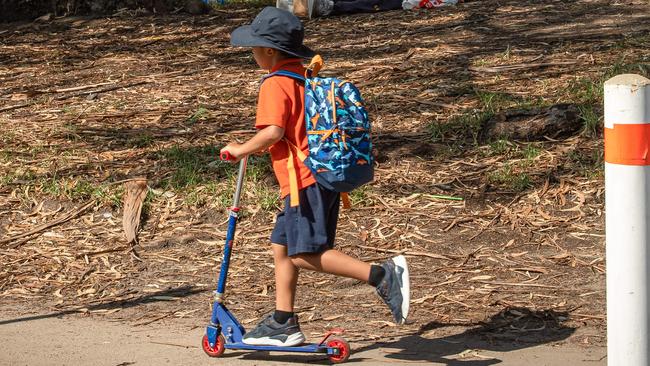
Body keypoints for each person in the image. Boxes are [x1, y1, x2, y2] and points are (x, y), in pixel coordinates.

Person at [221, 6, 410, 347]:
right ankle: (283, 321)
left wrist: (240, 149)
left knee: (304, 253)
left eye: (253, 48)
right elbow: (296, 131)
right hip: (317, 175)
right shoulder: (303, 79)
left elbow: (274, 131)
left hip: (302, 182)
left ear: (269, 51)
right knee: (281, 246)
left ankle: (381, 275)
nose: (250, 54)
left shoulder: (274, 84)